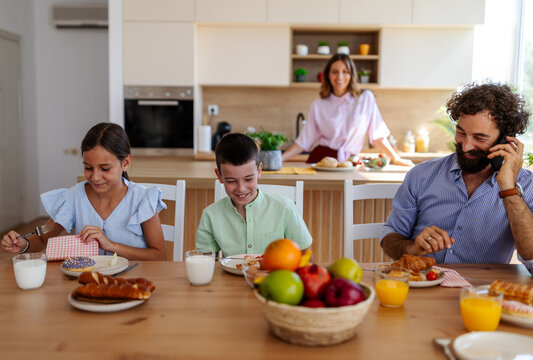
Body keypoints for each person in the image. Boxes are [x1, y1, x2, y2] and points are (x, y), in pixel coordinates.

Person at [381, 82, 533, 273]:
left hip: (483, 293)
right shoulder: (421, 176)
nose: (466, 146)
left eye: (479, 138)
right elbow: (389, 238)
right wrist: (412, 249)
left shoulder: (527, 186)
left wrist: (508, 188)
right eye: (461, 133)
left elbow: (531, 259)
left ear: (505, 140)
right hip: (425, 285)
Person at [1, 122, 167, 260]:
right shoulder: (73, 197)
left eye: (105, 168)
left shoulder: (142, 199)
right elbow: (43, 239)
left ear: (125, 163)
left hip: (133, 282)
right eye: (88, 168)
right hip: (87, 284)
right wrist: (23, 244)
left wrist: (111, 245)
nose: (95, 177)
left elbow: (159, 256)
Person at [282, 53, 413, 166]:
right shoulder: (319, 105)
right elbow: (304, 141)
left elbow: (377, 136)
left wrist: (395, 158)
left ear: (351, 75)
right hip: (322, 161)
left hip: (350, 162)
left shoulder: (365, 98)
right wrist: (280, 159)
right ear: (328, 75)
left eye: (345, 72)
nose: (340, 77)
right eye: (335, 72)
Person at [195, 133, 312, 256]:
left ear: (259, 170)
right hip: (229, 276)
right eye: (231, 181)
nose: (241, 189)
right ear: (219, 176)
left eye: (248, 179)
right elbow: (205, 262)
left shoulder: (284, 208)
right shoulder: (210, 215)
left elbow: (306, 256)